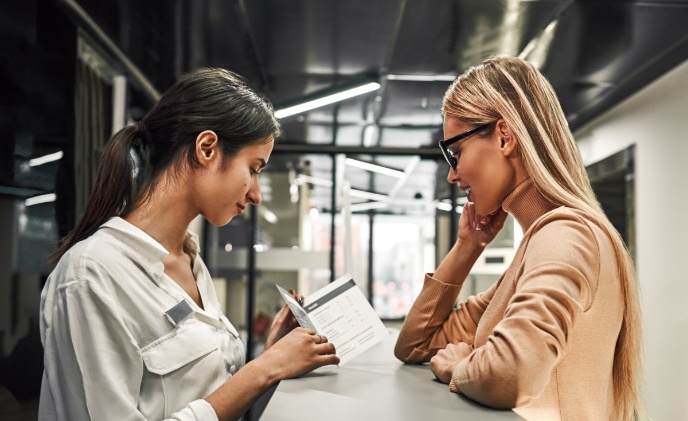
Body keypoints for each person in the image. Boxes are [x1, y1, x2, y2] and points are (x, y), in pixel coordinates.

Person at [39, 67, 339, 421]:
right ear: (207, 148)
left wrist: (273, 354)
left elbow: (205, 393)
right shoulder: (91, 277)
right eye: (254, 168)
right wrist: (264, 370)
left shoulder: (190, 260)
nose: (256, 194)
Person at [394, 56, 642, 420]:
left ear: (505, 137)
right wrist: (468, 246)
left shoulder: (566, 235)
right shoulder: (538, 245)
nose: (452, 174)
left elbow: (512, 372)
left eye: (456, 152)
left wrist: (461, 368)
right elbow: (417, 344)